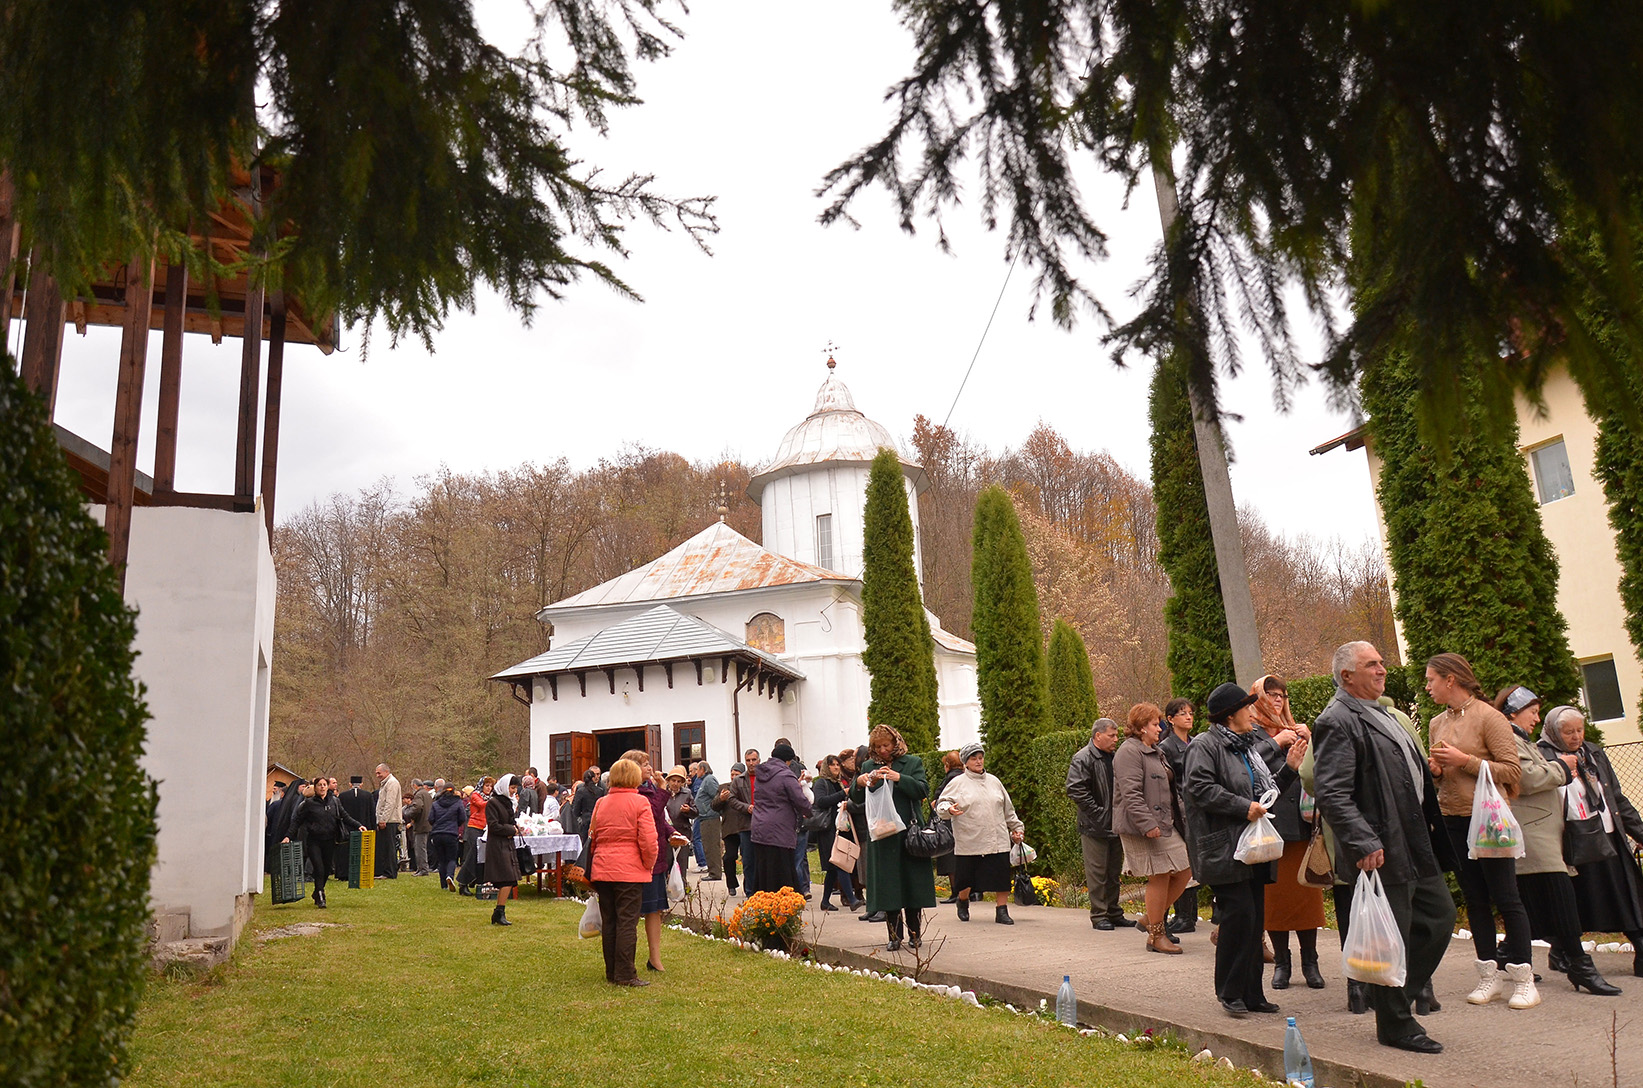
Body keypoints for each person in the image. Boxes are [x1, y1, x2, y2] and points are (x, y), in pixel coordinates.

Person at [1313, 641, 1457, 1054]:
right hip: (1381, 844)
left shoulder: (1383, 713)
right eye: (1370, 665)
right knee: (1391, 937)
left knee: (1439, 917)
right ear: (1347, 676)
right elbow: (1332, 792)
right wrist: (1362, 840)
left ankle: (1392, 1001)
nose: (1381, 670)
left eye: (1381, 662)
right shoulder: (1337, 720)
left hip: (1413, 840)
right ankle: (1394, 1023)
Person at [1184, 683, 1307, 1017]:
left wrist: (1290, 769)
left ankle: (1253, 994)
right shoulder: (1205, 746)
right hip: (1225, 848)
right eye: (1248, 707)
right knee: (1239, 918)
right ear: (1230, 714)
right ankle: (1230, 992)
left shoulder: (1247, 746)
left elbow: (1265, 795)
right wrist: (1242, 807)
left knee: (1253, 921)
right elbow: (1198, 788)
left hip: (1253, 848)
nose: (1254, 713)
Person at [1490, 686, 1622, 996]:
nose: (1536, 718)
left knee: (1533, 901)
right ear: (1513, 712)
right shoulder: (1509, 739)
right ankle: (1580, 964)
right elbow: (1525, 777)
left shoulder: (1519, 738)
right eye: (1531, 712)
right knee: (1561, 896)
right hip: (1533, 831)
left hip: (1543, 831)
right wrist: (1563, 767)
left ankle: (1509, 956)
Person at [1424, 652, 1533, 1008]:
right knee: (1474, 898)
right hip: (1453, 818)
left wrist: (1465, 761)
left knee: (1506, 896)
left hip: (1489, 821)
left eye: (1431, 680)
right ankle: (1489, 976)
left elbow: (1512, 772)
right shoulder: (1437, 723)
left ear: (1451, 679)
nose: (1427, 687)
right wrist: (1438, 772)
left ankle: (1523, 976)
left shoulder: (1491, 717)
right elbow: (1442, 777)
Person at [1538, 704, 1643, 979]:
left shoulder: (1593, 752)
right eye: (1568, 731)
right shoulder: (1543, 754)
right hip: (1572, 838)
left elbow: (1616, 797)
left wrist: (1639, 833)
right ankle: (1560, 949)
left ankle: (1640, 947)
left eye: (1579, 730)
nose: (1576, 736)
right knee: (1577, 898)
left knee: (1626, 894)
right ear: (1553, 731)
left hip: (1608, 833)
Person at [1247, 675, 1327, 990]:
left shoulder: (1297, 728)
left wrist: (1313, 741)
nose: (1278, 700)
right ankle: (1282, 962)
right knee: (1276, 901)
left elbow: (1322, 768)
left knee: (1307, 896)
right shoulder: (1250, 733)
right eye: (1271, 695)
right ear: (1257, 699)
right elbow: (1250, 770)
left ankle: (1311, 961)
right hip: (1271, 827)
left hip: (1304, 824)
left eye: (1282, 695)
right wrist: (1276, 742)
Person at [1113, 703, 1192, 954]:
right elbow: (1130, 793)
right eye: (1155, 724)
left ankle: (1150, 917)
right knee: (1159, 874)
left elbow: (1169, 790)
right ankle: (1156, 936)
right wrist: (1147, 824)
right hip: (1141, 827)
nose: (1160, 728)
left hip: (1163, 824)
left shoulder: (1155, 750)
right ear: (1141, 727)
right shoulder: (1128, 752)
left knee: (1186, 868)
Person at [851, 725, 936, 951]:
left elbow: (922, 790)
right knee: (888, 886)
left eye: (886, 745)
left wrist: (899, 778)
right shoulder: (869, 765)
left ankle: (915, 934)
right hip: (882, 834)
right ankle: (893, 936)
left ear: (896, 742)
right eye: (878, 747)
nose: (883, 750)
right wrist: (861, 782)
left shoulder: (912, 763)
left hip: (909, 833)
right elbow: (855, 795)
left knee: (912, 885)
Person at [935, 741, 1024, 925]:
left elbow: (1008, 809)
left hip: (997, 838)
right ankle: (963, 901)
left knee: (1001, 876)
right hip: (970, 840)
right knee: (966, 879)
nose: (978, 761)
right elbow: (941, 804)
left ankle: (1002, 911)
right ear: (965, 762)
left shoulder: (994, 781)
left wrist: (1016, 828)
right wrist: (949, 809)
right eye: (974, 758)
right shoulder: (957, 783)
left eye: (981, 757)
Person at [589, 758, 660, 986]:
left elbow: (593, 836)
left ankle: (612, 972)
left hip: (603, 868)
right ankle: (626, 974)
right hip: (629, 871)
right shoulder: (640, 802)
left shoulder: (601, 803)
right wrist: (648, 864)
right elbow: (649, 841)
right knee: (627, 922)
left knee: (610, 922)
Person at [1066, 717, 1127, 930]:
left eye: (1117, 735)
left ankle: (1113, 912)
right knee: (1097, 873)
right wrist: (1099, 813)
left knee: (1112, 872)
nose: (1116, 739)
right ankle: (1099, 915)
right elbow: (1075, 789)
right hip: (1094, 826)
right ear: (1097, 736)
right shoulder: (1083, 758)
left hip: (1116, 824)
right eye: (1112, 735)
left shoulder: (1115, 757)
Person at [622, 749, 677, 973]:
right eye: (644, 764)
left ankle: (655, 958)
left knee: (654, 910)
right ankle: (627, 959)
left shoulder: (651, 788)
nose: (650, 768)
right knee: (632, 911)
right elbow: (653, 812)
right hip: (638, 859)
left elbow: (659, 821)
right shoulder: (632, 791)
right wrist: (663, 790)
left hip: (656, 857)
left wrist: (672, 833)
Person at [282, 777, 366, 908]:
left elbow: (345, 816)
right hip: (314, 840)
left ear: (327, 787)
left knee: (327, 868)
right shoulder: (308, 804)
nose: (322, 787)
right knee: (319, 868)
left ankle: (317, 891)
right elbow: (297, 821)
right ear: (315, 788)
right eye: (319, 785)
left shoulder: (335, 802)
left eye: (324, 785)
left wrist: (358, 825)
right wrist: (288, 836)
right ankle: (321, 895)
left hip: (330, 840)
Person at [1159, 699, 1200, 934]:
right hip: (1178, 809)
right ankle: (1181, 915)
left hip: (1196, 807)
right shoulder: (1166, 747)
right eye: (1182, 713)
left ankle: (1189, 916)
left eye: (1191, 713)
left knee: (1192, 862)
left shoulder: (1196, 743)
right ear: (1171, 719)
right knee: (1180, 862)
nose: (1188, 717)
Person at [750, 743, 813, 896]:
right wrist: (809, 812)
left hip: (759, 827)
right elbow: (799, 799)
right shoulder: (786, 774)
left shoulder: (761, 774)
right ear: (787, 761)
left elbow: (775, 792)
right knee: (782, 869)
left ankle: (763, 902)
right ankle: (784, 903)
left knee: (764, 869)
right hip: (780, 829)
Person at [811, 754, 862, 911]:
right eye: (832, 765)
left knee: (834, 867)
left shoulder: (838, 783)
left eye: (838, 765)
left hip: (840, 828)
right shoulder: (821, 783)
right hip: (828, 830)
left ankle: (825, 902)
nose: (836, 768)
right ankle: (852, 900)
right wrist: (842, 794)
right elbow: (820, 801)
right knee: (838, 863)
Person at [483, 773, 522, 925]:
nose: (514, 791)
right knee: (507, 878)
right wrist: (511, 830)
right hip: (498, 845)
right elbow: (493, 825)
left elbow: (509, 821)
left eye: (515, 788)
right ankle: (499, 912)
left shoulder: (508, 802)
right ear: (505, 787)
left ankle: (499, 911)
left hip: (507, 844)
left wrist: (516, 827)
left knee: (509, 879)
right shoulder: (493, 803)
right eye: (512, 788)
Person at [713, 763, 752, 895]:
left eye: (737, 774)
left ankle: (749, 886)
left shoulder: (745, 786)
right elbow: (714, 806)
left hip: (745, 827)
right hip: (730, 829)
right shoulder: (723, 788)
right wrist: (721, 799)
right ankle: (731, 884)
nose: (734, 777)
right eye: (732, 774)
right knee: (729, 857)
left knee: (747, 858)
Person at [934, 751, 965, 903]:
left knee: (951, 858)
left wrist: (936, 802)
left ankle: (956, 893)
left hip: (950, 821)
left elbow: (942, 798)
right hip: (960, 820)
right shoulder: (964, 777)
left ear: (948, 765)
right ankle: (971, 892)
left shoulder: (951, 778)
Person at [456, 777, 492, 894]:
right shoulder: (475, 795)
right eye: (487, 785)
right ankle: (463, 882)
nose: (489, 788)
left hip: (485, 828)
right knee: (473, 854)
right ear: (482, 786)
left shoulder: (491, 797)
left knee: (482, 856)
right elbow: (482, 805)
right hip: (474, 827)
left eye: (491, 786)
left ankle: (476, 880)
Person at [428, 779, 465, 890]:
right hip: (451, 833)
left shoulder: (436, 803)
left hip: (437, 834)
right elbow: (462, 817)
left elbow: (430, 818)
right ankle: (450, 876)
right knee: (451, 858)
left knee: (441, 859)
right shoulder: (458, 802)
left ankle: (443, 885)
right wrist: (455, 825)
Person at [664, 766, 696, 887]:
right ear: (668, 781)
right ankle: (667, 887)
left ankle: (681, 888)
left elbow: (695, 812)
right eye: (673, 781)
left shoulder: (686, 794)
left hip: (683, 832)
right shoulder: (663, 793)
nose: (676, 784)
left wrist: (688, 810)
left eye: (679, 781)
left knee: (682, 862)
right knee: (667, 861)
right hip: (667, 834)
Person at [693, 761, 723, 881]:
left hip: (710, 817)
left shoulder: (709, 780)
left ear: (703, 770)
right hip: (705, 817)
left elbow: (717, 796)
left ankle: (715, 873)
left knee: (711, 847)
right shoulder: (705, 780)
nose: (695, 773)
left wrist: (709, 809)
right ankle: (713, 872)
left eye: (697, 770)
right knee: (707, 846)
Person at [373, 763, 402, 880]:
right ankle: (386, 870)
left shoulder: (392, 783)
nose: (377, 775)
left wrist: (383, 819)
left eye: (379, 773)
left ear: (386, 772)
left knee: (389, 847)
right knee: (385, 846)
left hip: (390, 820)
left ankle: (390, 872)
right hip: (387, 819)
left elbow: (390, 803)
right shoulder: (386, 783)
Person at [567, 766, 602, 840]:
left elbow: (576, 809)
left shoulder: (581, 791)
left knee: (585, 843)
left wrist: (580, 816)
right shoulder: (600, 790)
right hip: (598, 820)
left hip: (585, 820)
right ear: (592, 778)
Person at [407, 779, 433, 876]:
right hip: (427, 824)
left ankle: (423, 869)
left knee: (419, 848)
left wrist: (409, 814)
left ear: (414, 785)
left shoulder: (419, 795)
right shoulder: (427, 794)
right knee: (422, 847)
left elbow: (417, 807)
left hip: (421, 824)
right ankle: (421, 868)